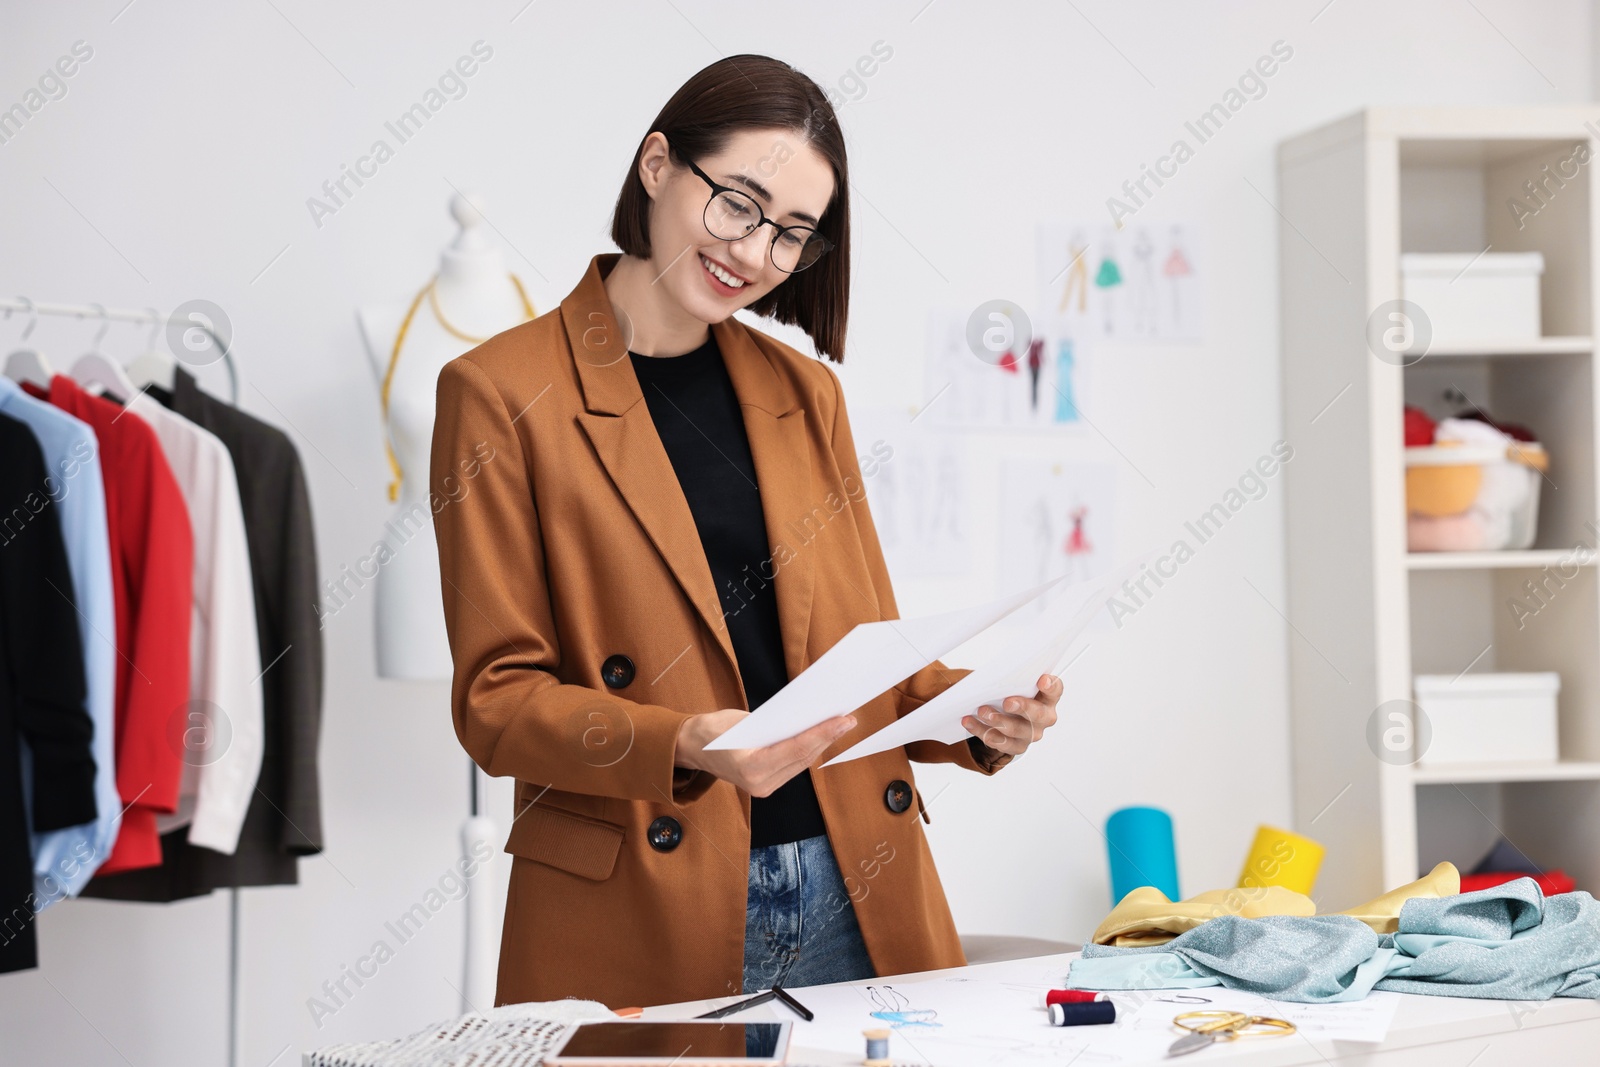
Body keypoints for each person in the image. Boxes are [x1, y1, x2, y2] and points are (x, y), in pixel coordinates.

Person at [429, 53, 1063, 1011]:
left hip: (853, 870)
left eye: (793, 234)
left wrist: (977, 720)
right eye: (737, 203)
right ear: (656, 166)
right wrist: (684, 739)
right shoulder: (500, 395)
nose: (756, 253)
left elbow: (863, 651)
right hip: (646, 896)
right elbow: (497, 702)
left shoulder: (804, 393)